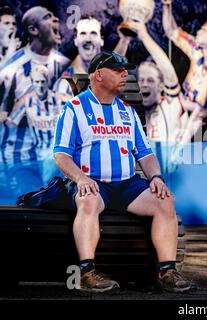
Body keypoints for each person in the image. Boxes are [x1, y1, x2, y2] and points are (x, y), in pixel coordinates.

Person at [53, 51, 196, 293]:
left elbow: (145, 154)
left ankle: (167, 272)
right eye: (118, 71)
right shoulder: (74, 109)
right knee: (87, 200)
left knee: (165, 200)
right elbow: (61, 155)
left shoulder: (127, 111)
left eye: (125, 70)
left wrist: (157, 178)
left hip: (127, 184)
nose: (125, 75)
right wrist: (80, 178)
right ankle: (87, 273)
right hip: (94, 184)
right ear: (98, 75)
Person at [125, 21, 188, 172]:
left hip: (173, 182)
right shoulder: (133, 116)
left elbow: (169, 73)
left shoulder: (170, 106)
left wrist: (144, 35)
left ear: (161, 86)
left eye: (151, 80)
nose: (145, 84)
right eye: (141, 80)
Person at [162, 0, 207, 139]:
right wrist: (167, 5)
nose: (198, 31)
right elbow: (171, 31)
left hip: (204, 127)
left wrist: (179, 102)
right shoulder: (197, 50)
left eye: (203, 30)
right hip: (183, 114)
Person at [7, 65, 68, 182]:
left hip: (60, 150)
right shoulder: (26, 101)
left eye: (43, 81)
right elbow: (10, 124)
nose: (40, 86)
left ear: (48, 82)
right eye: (37, 82)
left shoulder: (60, 98)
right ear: (32, 82)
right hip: (42, 154)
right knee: (49, 183)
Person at [0, 6, 69, 109]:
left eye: (14, 24)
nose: (12, 27)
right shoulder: (13, 65)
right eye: (7, 23)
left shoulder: (62, 62)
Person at [53, 16, 104, 96]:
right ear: (76, 41)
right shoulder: (64, 85)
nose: (88, 39)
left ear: (101, 40)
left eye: (93, 33)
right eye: (83, 34)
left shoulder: (117, 79)